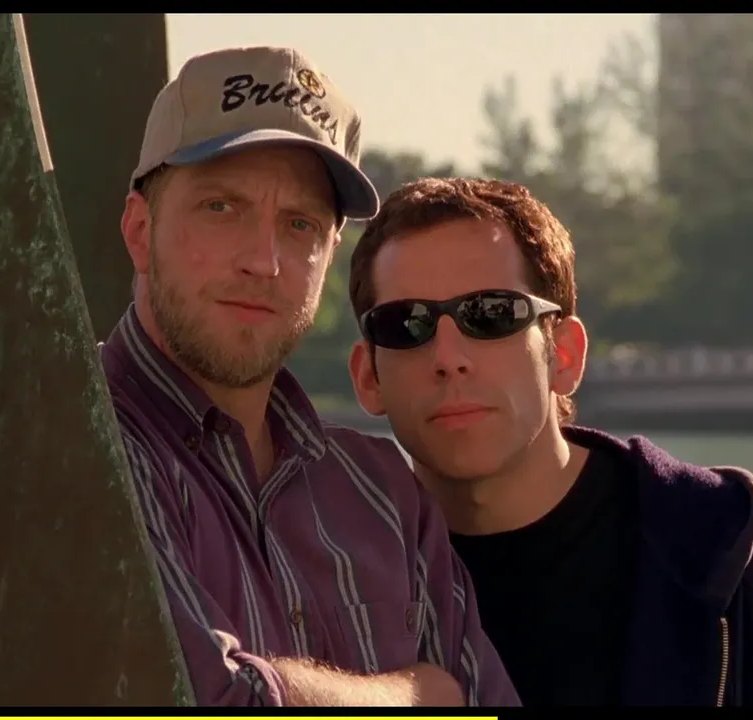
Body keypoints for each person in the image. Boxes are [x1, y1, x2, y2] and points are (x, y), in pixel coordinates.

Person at [344, 177, 753, 707]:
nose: (448, 358)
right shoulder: (327, 579)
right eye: (407, 324)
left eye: (492, 315)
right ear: (368, 377)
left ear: (564, 356)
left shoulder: (738, 565)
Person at [100, 48, 518, 708]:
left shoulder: (383, 493)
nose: (264, 261)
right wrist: (417, 695)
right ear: (138, 229)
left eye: (300, 224)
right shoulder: (79, 441)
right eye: (221, 207)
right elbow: (208, 701)